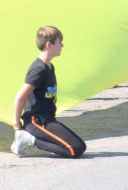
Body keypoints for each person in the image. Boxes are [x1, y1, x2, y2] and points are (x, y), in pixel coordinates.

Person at [10, 26, 86, 158]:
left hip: (48, 119)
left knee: (81, 146)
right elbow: (20, 98)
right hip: (36, 121)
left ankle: (33, 139)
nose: (62, 45)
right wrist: (17, 125)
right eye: (59, 42)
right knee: (75, 150)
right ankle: (29, 139)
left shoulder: (49, 66)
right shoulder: (39, 69)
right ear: (49, 45)